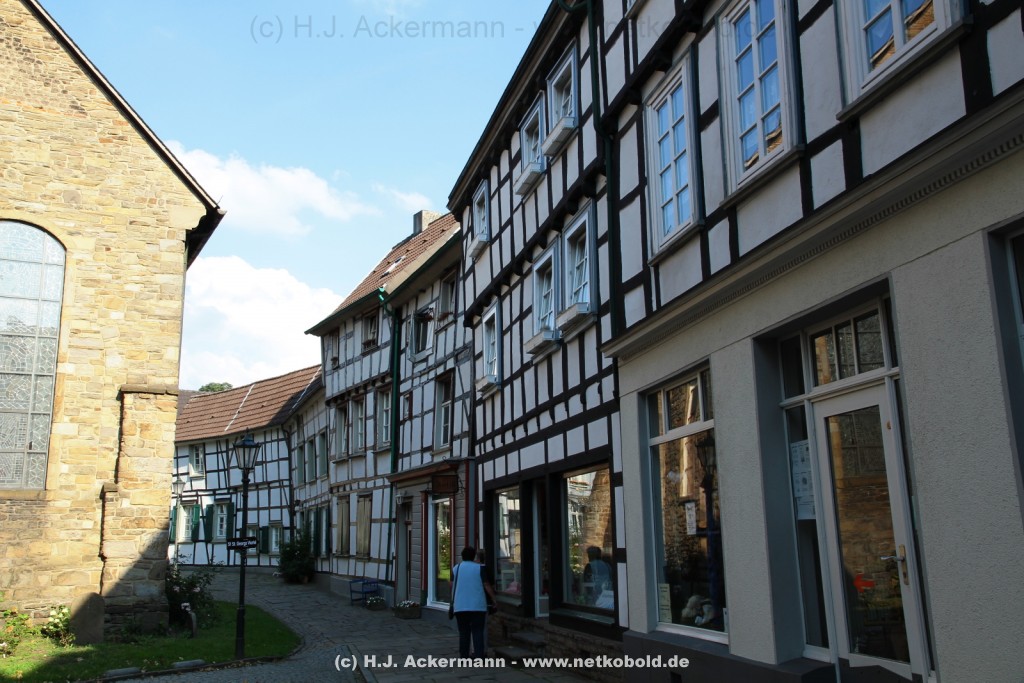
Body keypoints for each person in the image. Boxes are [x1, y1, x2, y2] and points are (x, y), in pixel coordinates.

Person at [451, 546, 496, 658]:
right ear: (473, 556)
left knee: (463, 633)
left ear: (462, 556)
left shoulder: (456, 568)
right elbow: (486, 585)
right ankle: (479, 656)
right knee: (478, 632)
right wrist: (493, 599)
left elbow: (451, 584)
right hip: (477, 605)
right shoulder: (479, 568)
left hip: (460, 605)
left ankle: (464, 656)